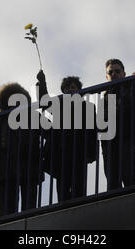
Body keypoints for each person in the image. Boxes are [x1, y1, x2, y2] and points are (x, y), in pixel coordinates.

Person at [36, 71, 98, 202]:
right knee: (62, 190)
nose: (70, 90)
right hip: (61, 153)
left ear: (79, 91)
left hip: (79, 153)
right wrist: (42, 82)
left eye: (73, 87)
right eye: (67, 88)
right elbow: (44, 100)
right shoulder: (59, 104)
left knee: (79, 189)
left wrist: (91, 152)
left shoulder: (87, 107)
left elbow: (92, 131)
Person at [0, 82, 44, 216]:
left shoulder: (34, 116)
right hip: (9, 170)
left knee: (29, 208)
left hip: (29, 166)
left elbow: (50, 130)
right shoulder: (1, 121)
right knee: (10, 209)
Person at [101, 59, 135, 190]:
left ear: (124, 74)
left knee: (129, 180)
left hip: (128, 139)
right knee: (112, 184)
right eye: (110, 72)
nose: (114, 74)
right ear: (106, 76)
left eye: (117, 71)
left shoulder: (131, 88)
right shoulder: (105, 97)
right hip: (109, 145)